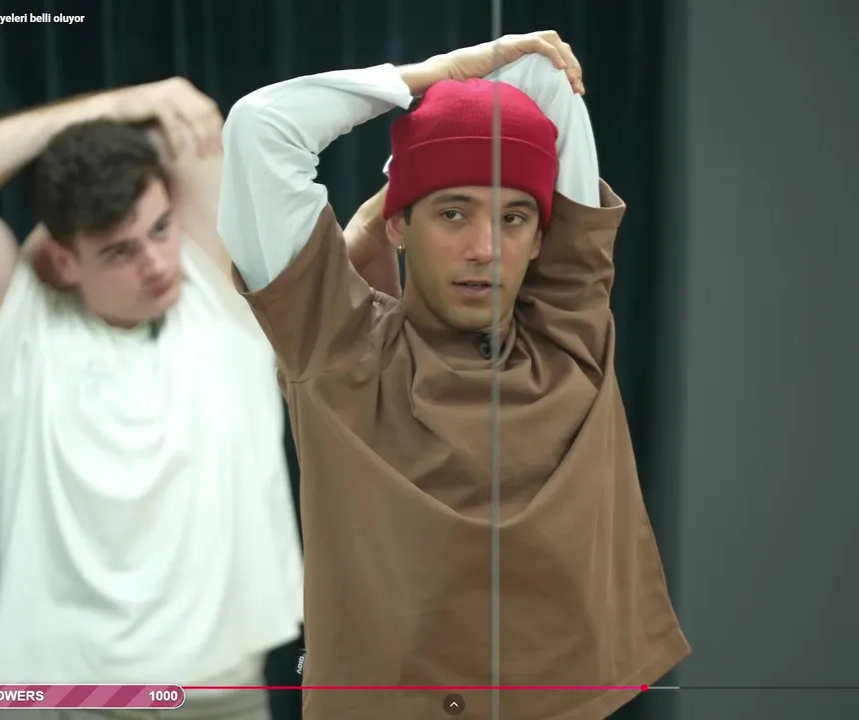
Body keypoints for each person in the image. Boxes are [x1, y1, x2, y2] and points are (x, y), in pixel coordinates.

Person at [219, 31, 690, 719]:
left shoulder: (569, 332)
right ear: (399, 224)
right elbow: (261, 127)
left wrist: (421, 163)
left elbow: (542, 75)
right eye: (452, 213)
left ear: (541, 237)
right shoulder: (336, 345)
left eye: (514, 217)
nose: (484, 248)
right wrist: (431, 76)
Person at [0, 79, 310, 719]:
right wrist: (111, 108)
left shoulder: (219, 297)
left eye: (160, 229)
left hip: (218, 693)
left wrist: (150, 106)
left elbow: (194, 124)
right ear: (61, 260)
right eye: (120, 251)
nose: (156, 263)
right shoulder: (19, 335)